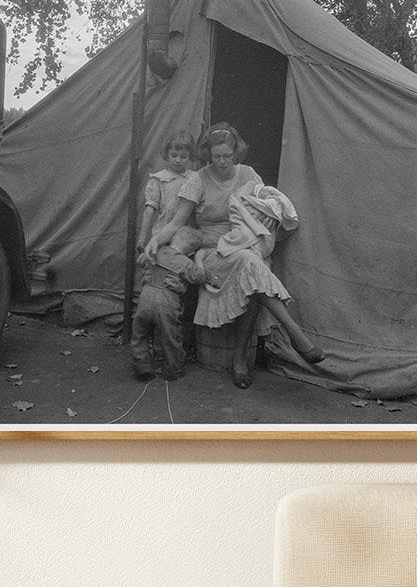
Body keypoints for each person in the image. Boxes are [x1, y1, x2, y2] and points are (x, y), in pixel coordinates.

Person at [143, 122, 324, 389]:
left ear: (236, 152)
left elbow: (263, 206)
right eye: (216, 156)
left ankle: (241, 356)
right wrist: (153, 241)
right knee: (252, 264)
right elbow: (177, 223)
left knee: (253, 263)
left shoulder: (248, 174)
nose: (223, 161)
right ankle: (294, 334)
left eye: (228, 155)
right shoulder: (198, 180)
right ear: (208, 154)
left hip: (245, 242)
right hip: (213, 252)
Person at [130, 227, 205, 381]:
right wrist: (199, 260)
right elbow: (199, 277)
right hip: (167, 300)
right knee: (171, 336)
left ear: (173, 239)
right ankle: (172, 370)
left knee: (140, 333)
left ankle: (142, 367)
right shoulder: (185, 261)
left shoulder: (156, 251)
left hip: (146, 295)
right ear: (191, 253)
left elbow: (141, 261)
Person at [136, 131, 200, 256]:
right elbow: (149, 211)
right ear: (167, 154)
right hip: (162, 235)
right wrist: (142, 239)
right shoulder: (158, 180)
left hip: (186, 237)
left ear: (190, 156)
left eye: (183, 156)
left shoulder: (193, 178)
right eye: (174, 155)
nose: (178, 160)